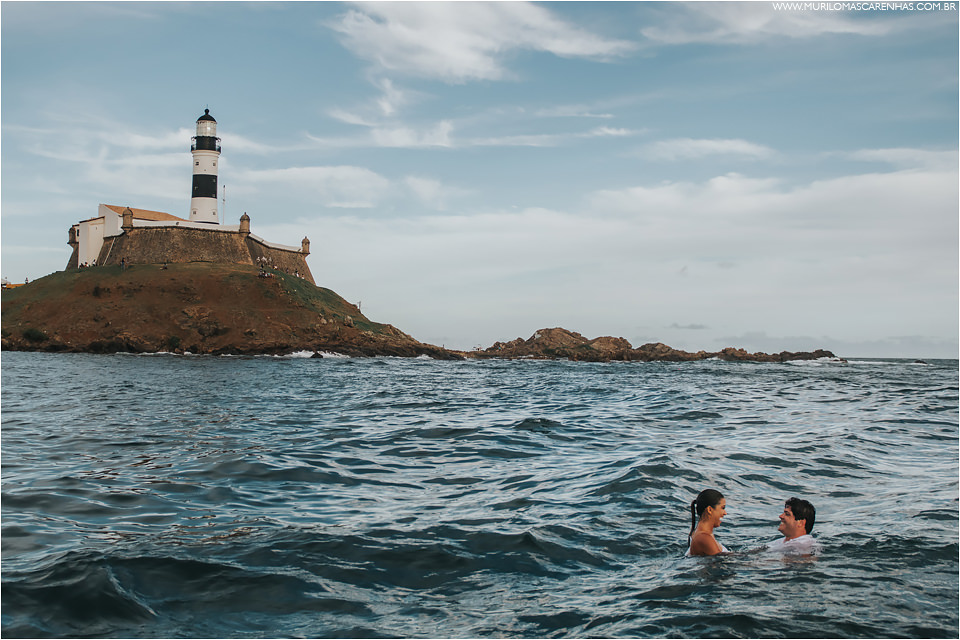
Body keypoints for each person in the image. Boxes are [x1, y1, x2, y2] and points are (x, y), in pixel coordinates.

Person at [687, 489, 729, 556]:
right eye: (722, 508)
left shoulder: (699, 534)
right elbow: (723, 561)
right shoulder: (703, 537)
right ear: (709, 510)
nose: (725, 513)